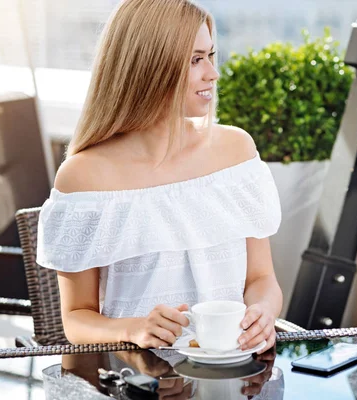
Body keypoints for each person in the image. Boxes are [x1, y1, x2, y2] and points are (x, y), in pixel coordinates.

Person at [36, 0, 283, 355]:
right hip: (137, 380)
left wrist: (263, 311)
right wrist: (134, 328)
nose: (212, 73)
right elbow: (76, 318)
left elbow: (261, 280)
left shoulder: (236, 152)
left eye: (211, 56)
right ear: (150, 66)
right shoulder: (83, 176)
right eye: (196, 59)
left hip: (235, 377)